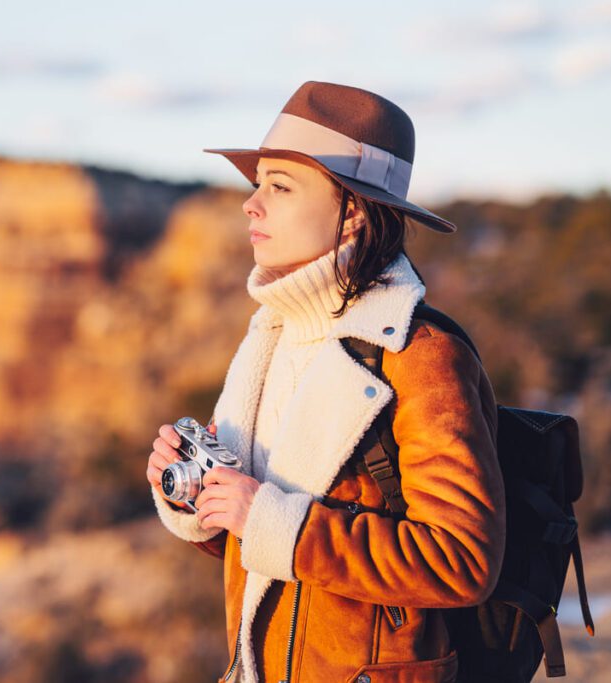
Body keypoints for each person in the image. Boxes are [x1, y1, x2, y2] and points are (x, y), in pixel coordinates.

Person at [145, 81, 506, 683]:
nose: (251, 204)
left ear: (353, 212)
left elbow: (460, 560)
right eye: (257, 183)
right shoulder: (272, 335)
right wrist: (196, 495)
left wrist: (269, 518)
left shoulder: (418, 354)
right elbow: (257, 546)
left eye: (280, 186)